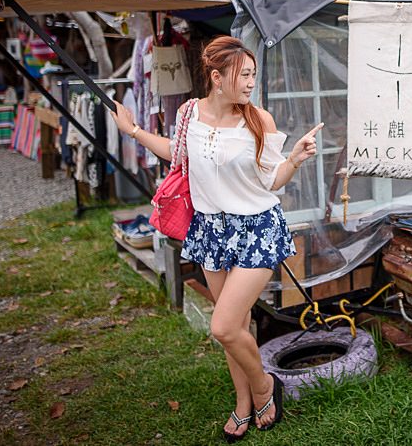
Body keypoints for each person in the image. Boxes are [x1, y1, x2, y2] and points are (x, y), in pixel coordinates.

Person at [110, 35, 322, 441]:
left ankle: (263, 387)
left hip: (256, 229)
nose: (250, 83)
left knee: (223, 326)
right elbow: (177, 154)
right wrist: (133, 129)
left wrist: (293, 159)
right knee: (237, 325)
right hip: (210, 230)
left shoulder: (259, 120)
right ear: (216, 76)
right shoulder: (189, 113)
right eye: (244, 75)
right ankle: (244, 403)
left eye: (253, 75)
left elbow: (271, 181)